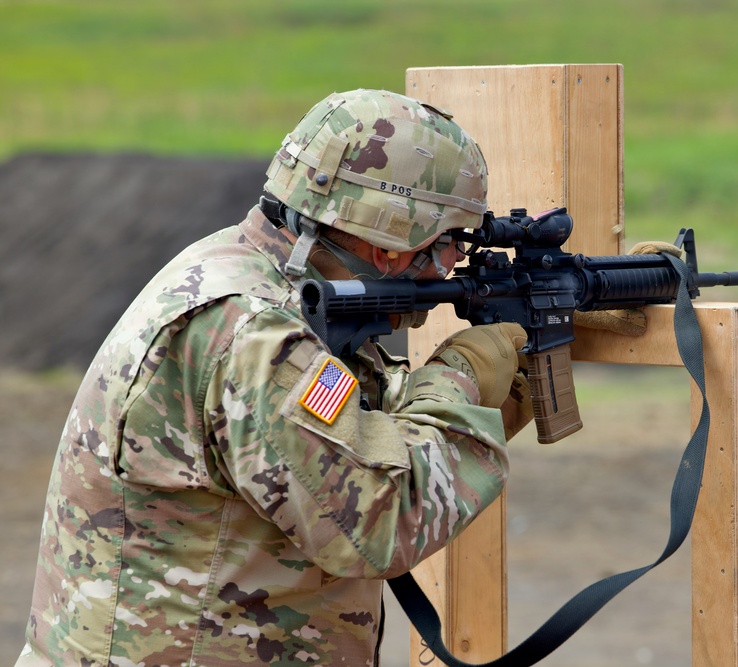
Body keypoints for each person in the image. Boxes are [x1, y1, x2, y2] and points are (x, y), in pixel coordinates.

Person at [17, 89, 532, 667]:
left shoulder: (250, 279)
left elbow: (350, 432)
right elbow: (382, 519)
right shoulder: (251, 332)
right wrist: (459, 378)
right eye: (445, 245)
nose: (446, 269)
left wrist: (524, 362)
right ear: (388, 244)